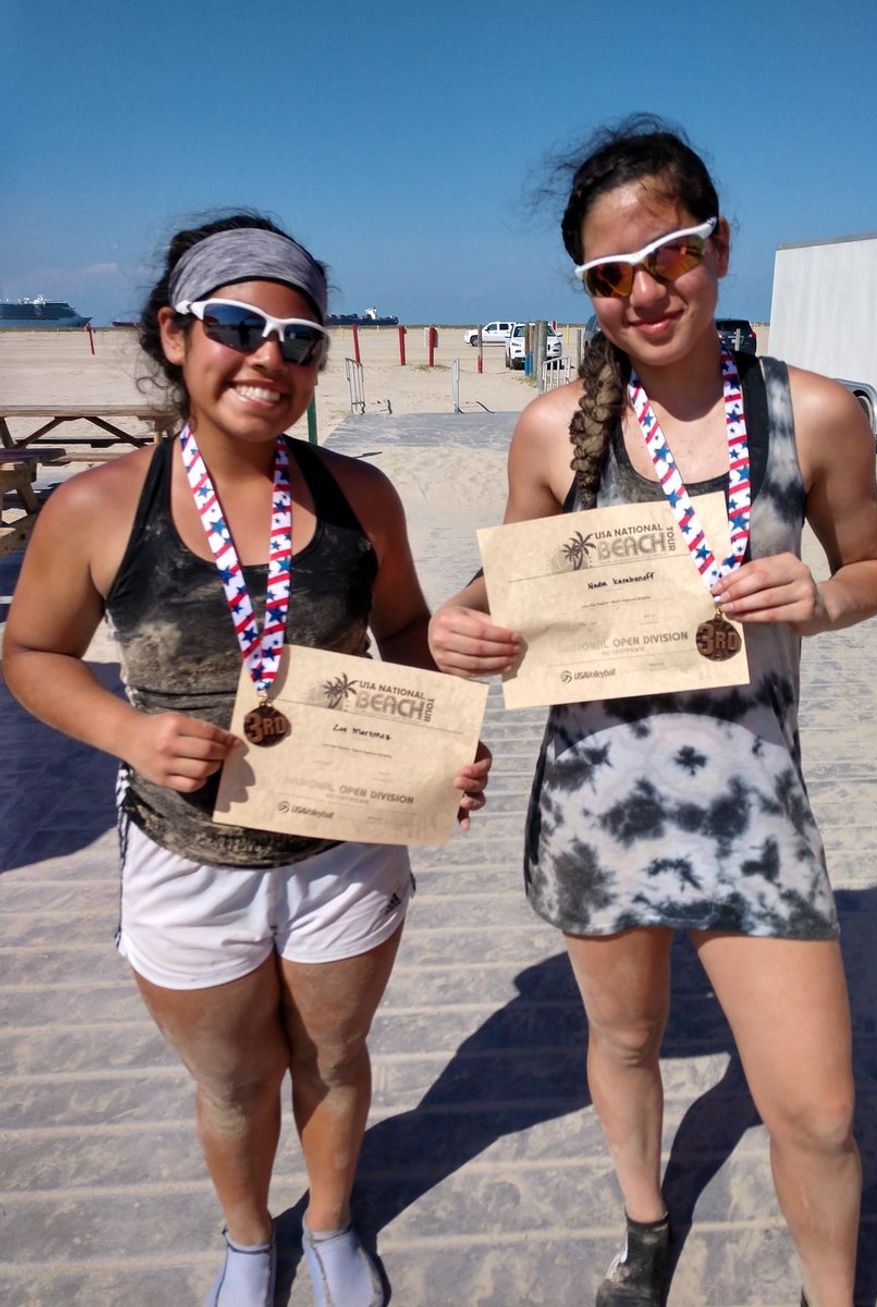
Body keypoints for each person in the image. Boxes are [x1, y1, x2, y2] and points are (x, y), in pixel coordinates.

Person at [428, 117, 877, 1307]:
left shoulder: (813, 413)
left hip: (752, 804)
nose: (643, 292)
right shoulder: (552, 428)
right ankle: (644, 1222)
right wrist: (457, 620)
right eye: (608, 275)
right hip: (595, 800)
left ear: (718, 246)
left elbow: (875, 563)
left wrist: (823, 599)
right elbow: (511, 577)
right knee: (626, 1039)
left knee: (819, 1110)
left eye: (669, 254)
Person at [3, 212, 490, 1307]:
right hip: (185, 858)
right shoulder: (96, 505)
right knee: (231, 1082)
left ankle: (329, 1224)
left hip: (345, 851)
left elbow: (404, 632)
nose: (271, 356)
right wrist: (128, 731)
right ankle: (246, 1239)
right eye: (237, 325)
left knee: (334, 1057)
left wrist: (444, 742)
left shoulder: (358, 492)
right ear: (175, 333)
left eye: (301, 338)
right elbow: (29, 653)